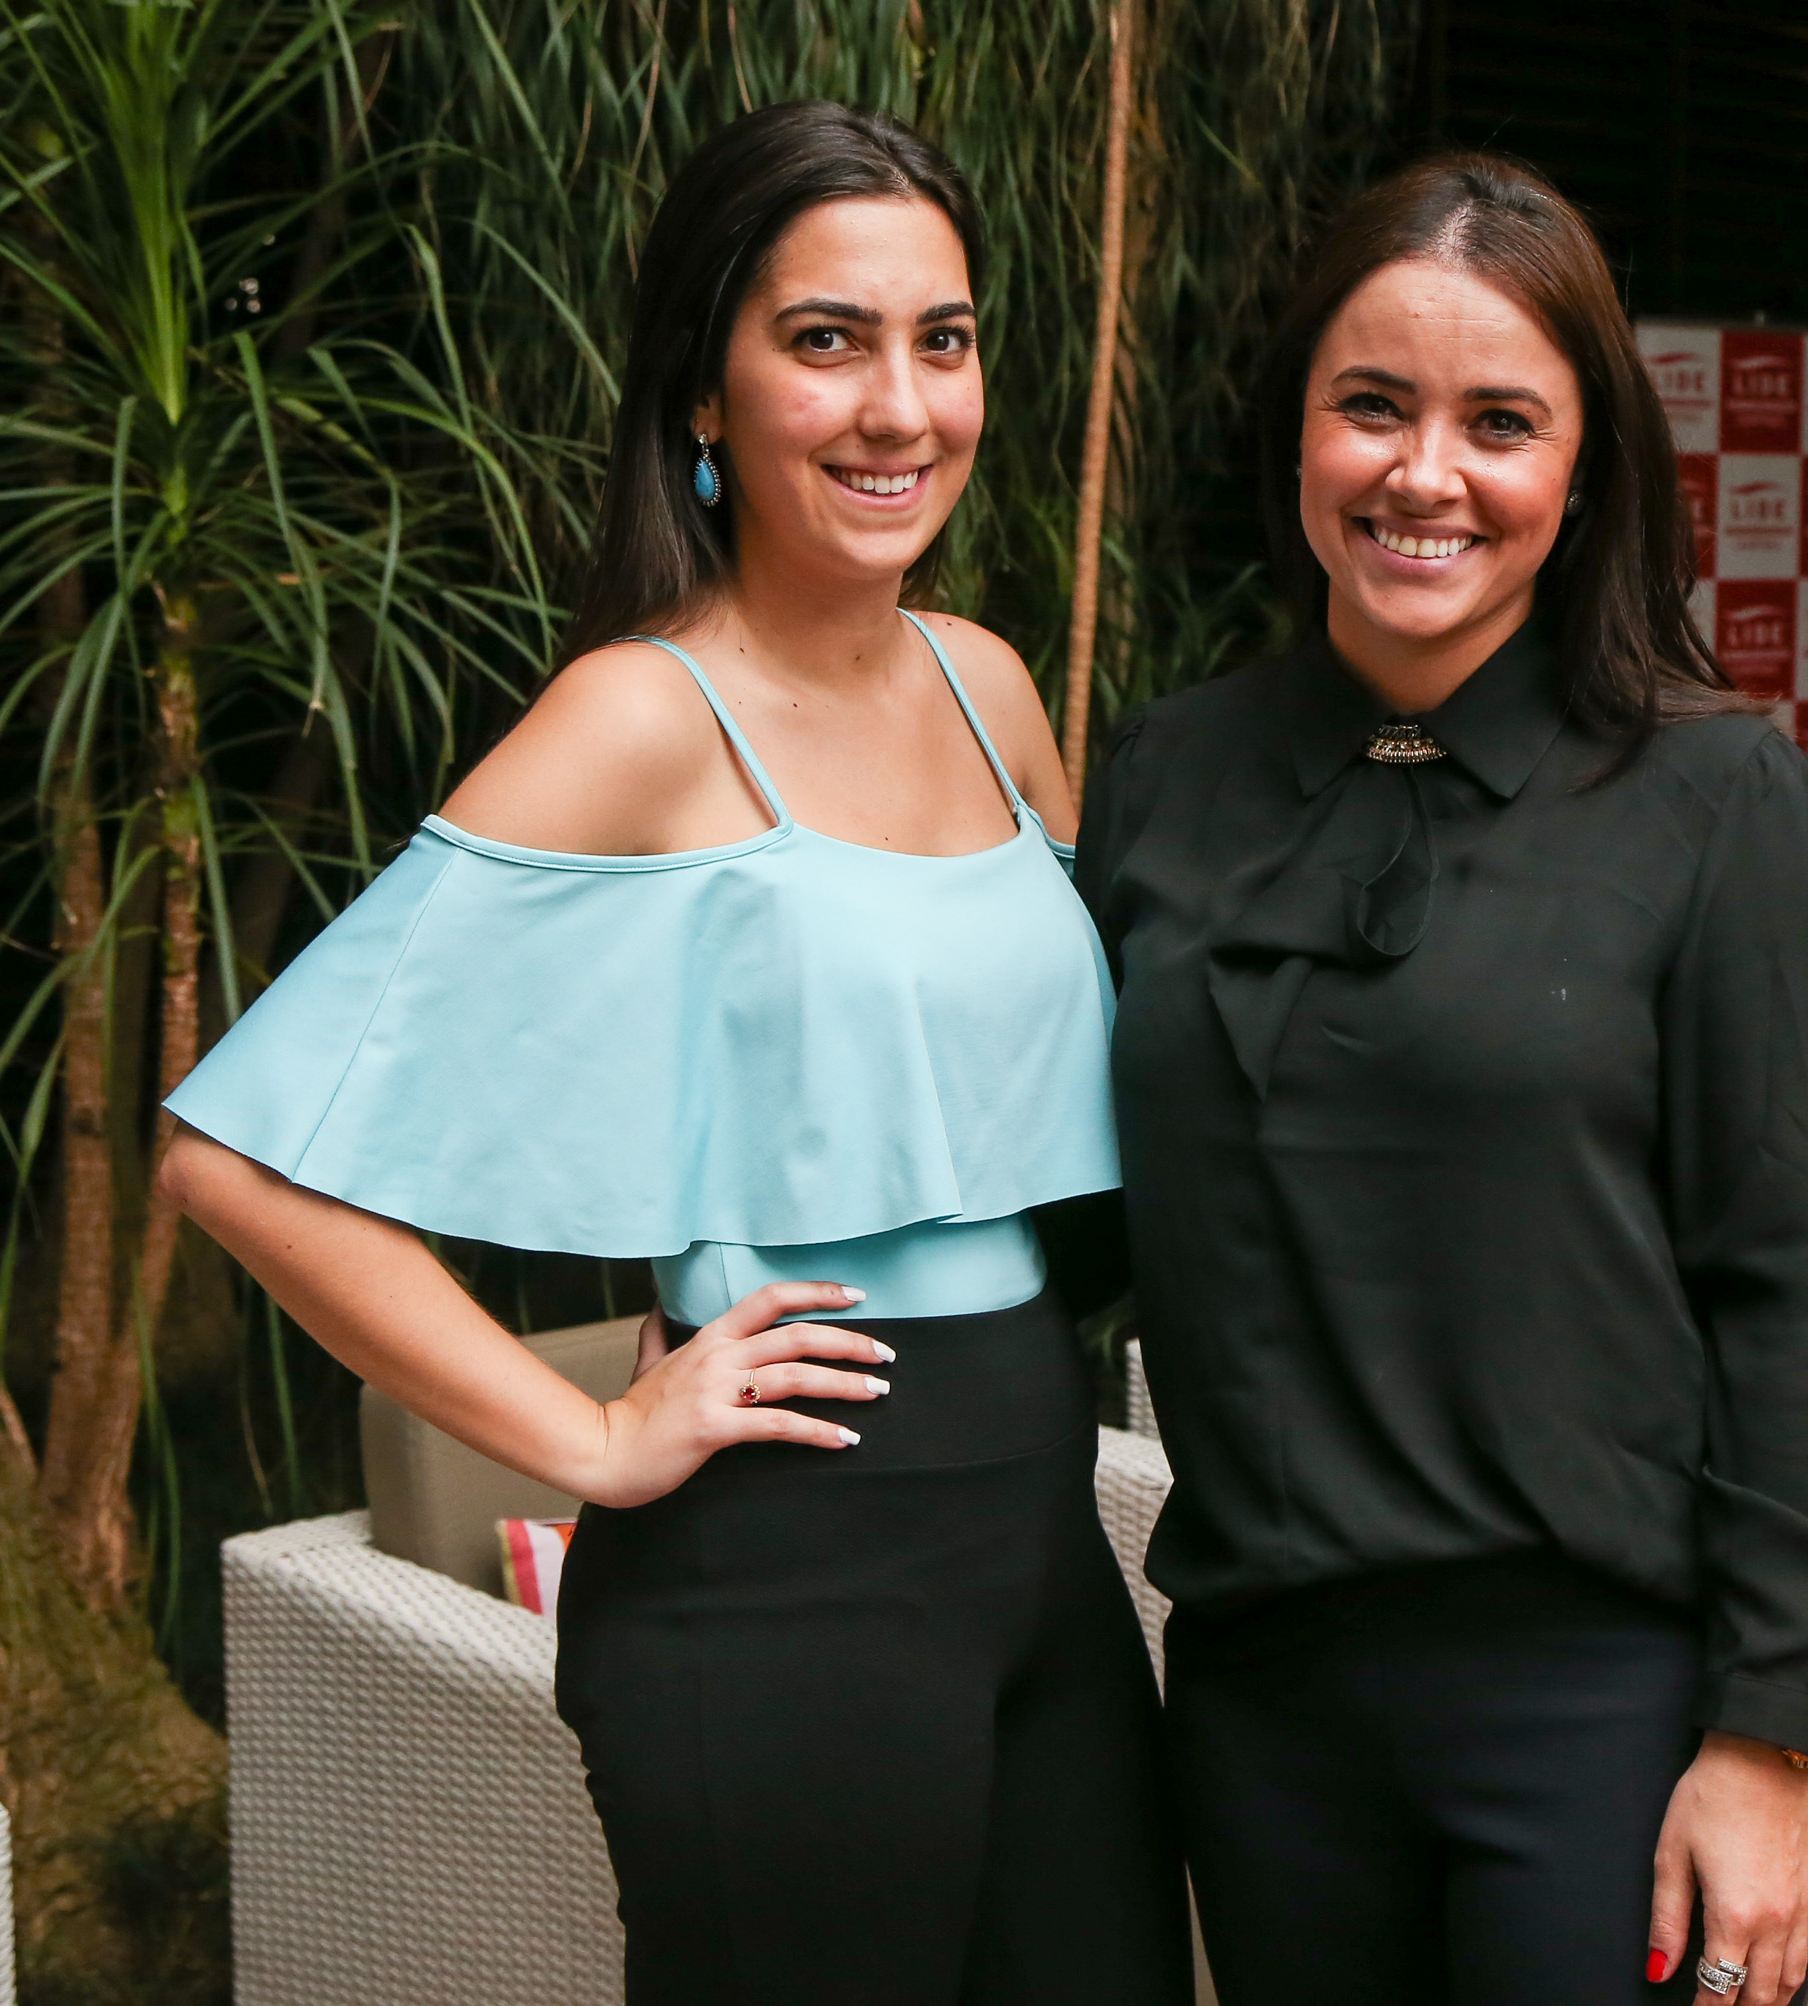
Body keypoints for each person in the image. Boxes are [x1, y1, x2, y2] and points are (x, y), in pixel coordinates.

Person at [160, 102, 1189, 2006]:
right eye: (825, 341)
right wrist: (590, 1437)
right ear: (705, 393)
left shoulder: (987, 685)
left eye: (941, 340)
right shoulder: (638, 716)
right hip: (784, 1566)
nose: (897, 407)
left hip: (1041, 1534)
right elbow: (234, 1160)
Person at [1076, 155, 1808, 2006]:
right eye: (1372, 404)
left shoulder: (1717, 798)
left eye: (1499, 423)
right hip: (1259, 1697)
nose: (1423, 473)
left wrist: (1769, 1735)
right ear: (1298, 428)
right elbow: (1067, 1208)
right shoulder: (1164, 777)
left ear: (1585, 468)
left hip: (1607, 1712)